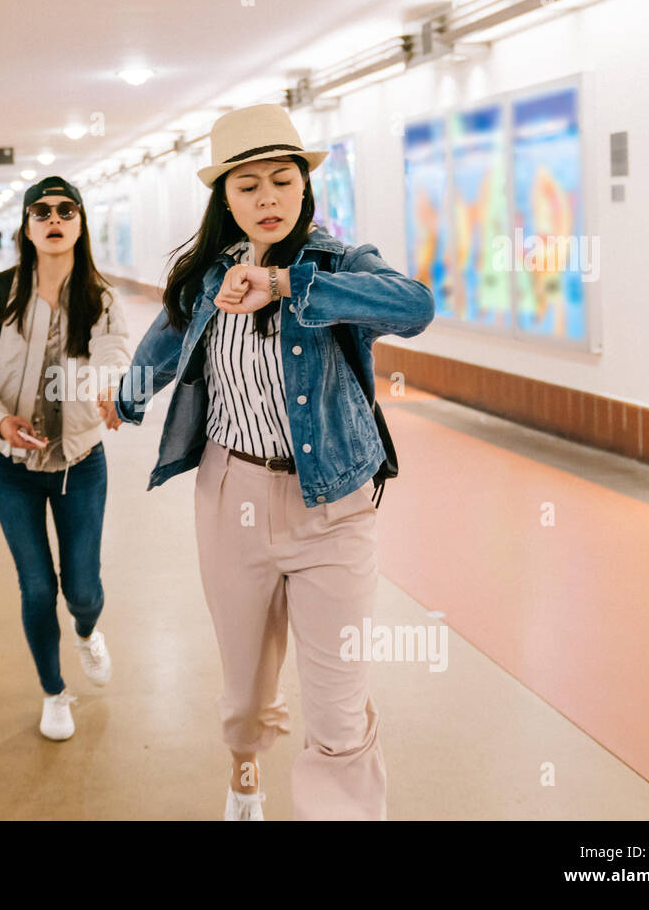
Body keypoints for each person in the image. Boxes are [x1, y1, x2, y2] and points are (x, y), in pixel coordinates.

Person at [101, 104, 434, 820]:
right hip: (232, 497)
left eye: (282, 181)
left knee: (338, 706)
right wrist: (125, 398)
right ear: (225, 199)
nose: (268, 199)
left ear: (304, 189)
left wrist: (289, 287)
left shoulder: (339, 265)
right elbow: (165, 343)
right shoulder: (205, 280)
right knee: (247, 687)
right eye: (247, 186)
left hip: (333, 505)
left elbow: (414, 306)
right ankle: (244, 765)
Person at [0, 176, 131, 741]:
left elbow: (113, 350)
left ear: (79, 223)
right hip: (10, 468)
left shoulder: (100, 297)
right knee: (35, 586)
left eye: (66, 211)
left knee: (83, 588)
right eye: (42, 212)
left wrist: (109, 386)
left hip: (81, 461)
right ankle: (54, 692)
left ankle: (86, 631)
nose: (54, 220)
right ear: (26, 227)